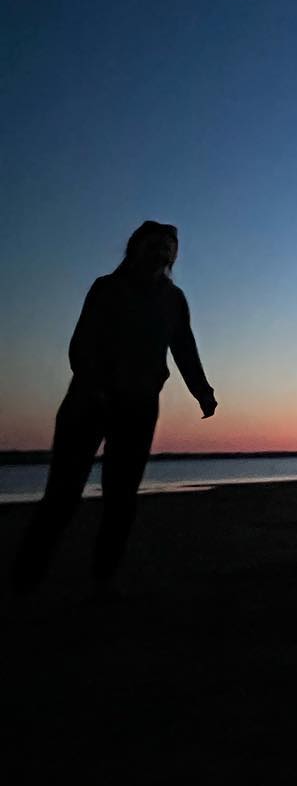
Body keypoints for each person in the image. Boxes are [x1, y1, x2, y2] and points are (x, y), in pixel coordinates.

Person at [13, 221, 217, 594]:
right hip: (88, 403)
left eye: (169, 247)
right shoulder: (107, 288)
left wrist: (202, 391)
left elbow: (184, 348)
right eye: (154, 244)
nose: (162, 252)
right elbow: (81, 345)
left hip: (139, 407)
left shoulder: (174, 299)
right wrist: (97, 387)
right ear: (135, 248)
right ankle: (26, 577)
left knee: (121, 497)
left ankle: (103, 579)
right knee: (62, 494)